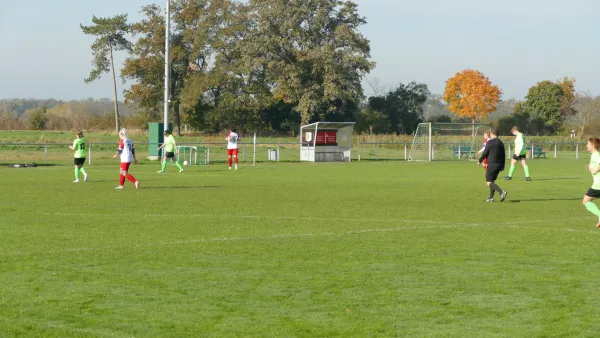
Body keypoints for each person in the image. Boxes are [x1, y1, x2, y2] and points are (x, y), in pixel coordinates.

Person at [478, 129, 508, 202]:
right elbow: (503, 155)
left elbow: (485, 152)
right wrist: (503, 166)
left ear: (493, 134)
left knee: (488, 182)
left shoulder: (490, 142)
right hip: (499, 165)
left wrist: (480, 160)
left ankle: (502, 192)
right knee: (492, 181)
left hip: (492, 164)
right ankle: (491, 198)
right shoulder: (501, 143)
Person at [583, 137, 600, 227]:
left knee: (586, 201)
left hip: (598, 185)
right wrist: (590, 168)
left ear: (593, 146)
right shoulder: (595, 155)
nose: (587, 145)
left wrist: (595, 170)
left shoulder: (596, 154)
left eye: (588, 144)